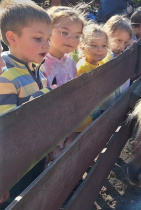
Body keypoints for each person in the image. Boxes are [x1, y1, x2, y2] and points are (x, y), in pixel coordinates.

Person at [0, 0, 54, 205]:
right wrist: (47, 96)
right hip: (14, 166)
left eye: (48, 39)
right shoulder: (6, 77)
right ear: (12, 38)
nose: (46, 45)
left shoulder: (35, 70)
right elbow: (8, 124)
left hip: (34, 154)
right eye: (38, 38)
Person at [42, 5, 86, 87]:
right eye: (65, 33)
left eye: (77, 36)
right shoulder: (40, 63)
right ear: (48, 30)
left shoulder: (70, 62)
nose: (72, 39)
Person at [103, 15, 132, 92]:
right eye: (119, 40)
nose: (122, 46)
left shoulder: (120, 57)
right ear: (107, 34)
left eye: (125, 42)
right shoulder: (102, 56)